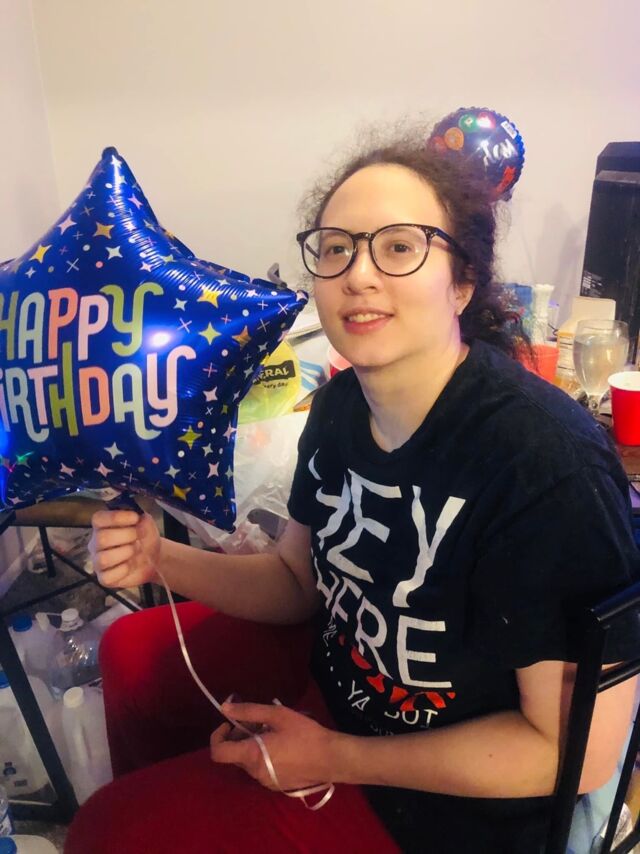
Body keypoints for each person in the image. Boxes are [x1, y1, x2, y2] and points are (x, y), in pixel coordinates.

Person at [64, 134, 640, 854]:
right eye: (336, 249)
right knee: (131, 654)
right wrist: (158, 558)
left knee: (106, 831)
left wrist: (333, 756)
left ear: (462, 282)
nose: (358, 275)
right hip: (342, 688)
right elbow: (294, 581)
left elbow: (573, 753)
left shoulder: (545, 467)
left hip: (447, 810)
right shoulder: (340, 408)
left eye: (399, 247)